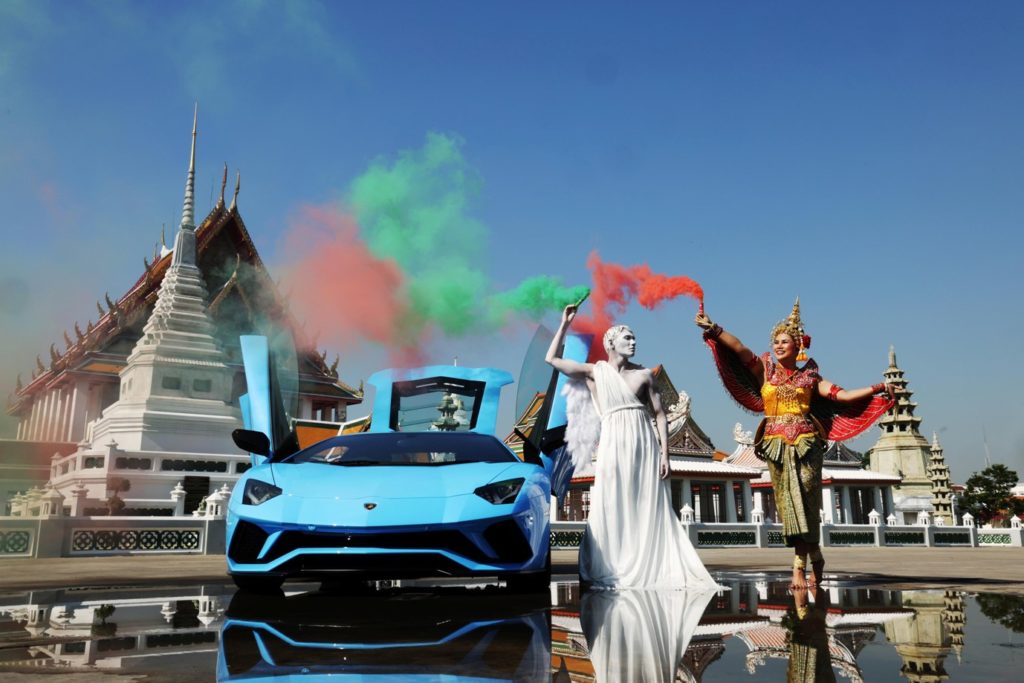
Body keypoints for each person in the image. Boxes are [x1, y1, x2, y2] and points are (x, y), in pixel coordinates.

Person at [695, 298, 895, 589]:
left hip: (806, 444)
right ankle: (815, 556)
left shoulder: (811, 378)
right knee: (788, 504)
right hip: (775, 445)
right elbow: (738, 348)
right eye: (775, 341)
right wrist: (713, 328)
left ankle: (799, 566)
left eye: (784, 341)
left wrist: (878, 388)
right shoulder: (765, 370)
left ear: (798, 345)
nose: (778, 346)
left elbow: (844, 396)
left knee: (806, 503)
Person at [546, 303, 716, 589]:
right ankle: (614, 562)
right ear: (611, 343)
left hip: (643, 441)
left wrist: (665, 455)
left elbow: (660, 415)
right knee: (612, 497)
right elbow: (551, 359)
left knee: (645, 499)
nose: (634, 342)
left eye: (635, 338)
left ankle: (648, 562)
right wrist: (565, 324)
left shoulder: (644, 375)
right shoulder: (594, 372)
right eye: (628, 338)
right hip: (612, 440)